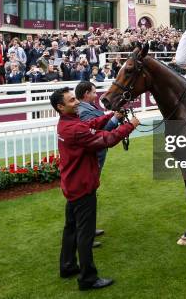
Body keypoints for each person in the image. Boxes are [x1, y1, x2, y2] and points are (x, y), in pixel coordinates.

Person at [50, 87, 139, 291]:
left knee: (71, 228)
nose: (77, 102)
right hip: (83, 186)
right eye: (72, 100)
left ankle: (67, 266)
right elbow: (106, 140)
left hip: (72, 184)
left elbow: (89, 125)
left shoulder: (67, 123)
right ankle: (88, 278)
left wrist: (111, 115)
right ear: (60, 107)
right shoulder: (74, 129)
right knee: (85, 234)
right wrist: (129, 126)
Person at [75, 81, 122, 247]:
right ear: (86, 93)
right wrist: (115, 119)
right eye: (94, 93)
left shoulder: (88, 108)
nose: (96, 96)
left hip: (95, 156)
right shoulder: (84, 112)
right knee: (87, 196)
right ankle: (85, 236)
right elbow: (101, 133)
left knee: (91, 194)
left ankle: (89, 229)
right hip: (92, 157)